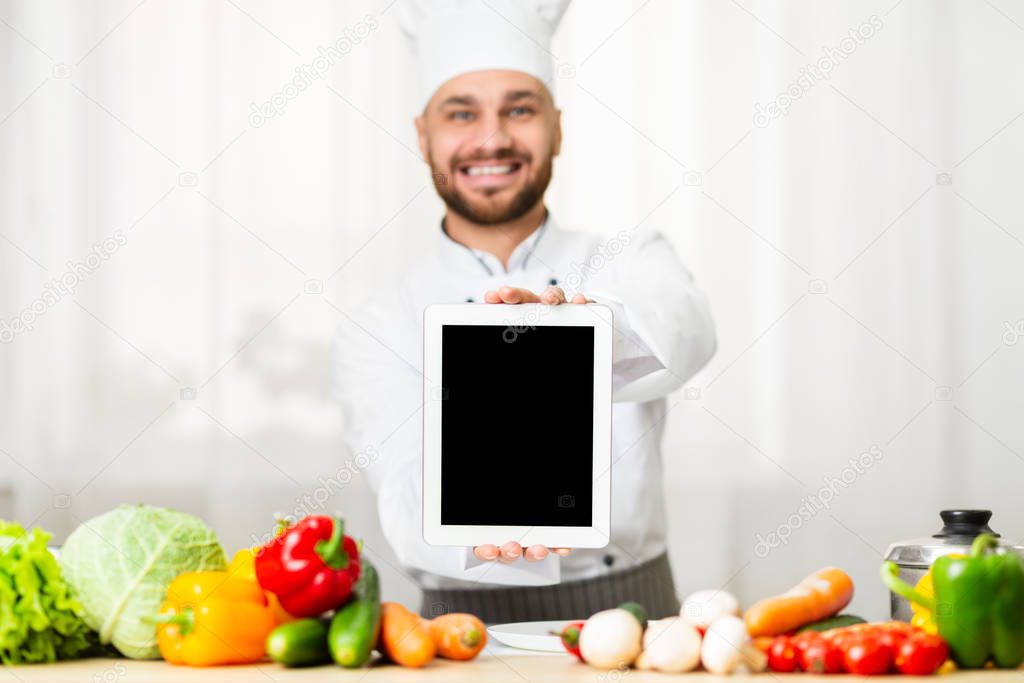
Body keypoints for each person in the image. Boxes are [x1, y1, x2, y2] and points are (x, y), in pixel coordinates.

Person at [333, 0, 716, 623]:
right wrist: (485, 541)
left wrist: (580, 331)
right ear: (423, 135)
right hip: (461, 632)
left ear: (557, 127)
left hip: (637, 617)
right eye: (461, 113)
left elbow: (688, 331)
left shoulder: (630, 259)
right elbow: (403, 492)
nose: (492, 138)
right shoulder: (380, 319)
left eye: (520, 108)